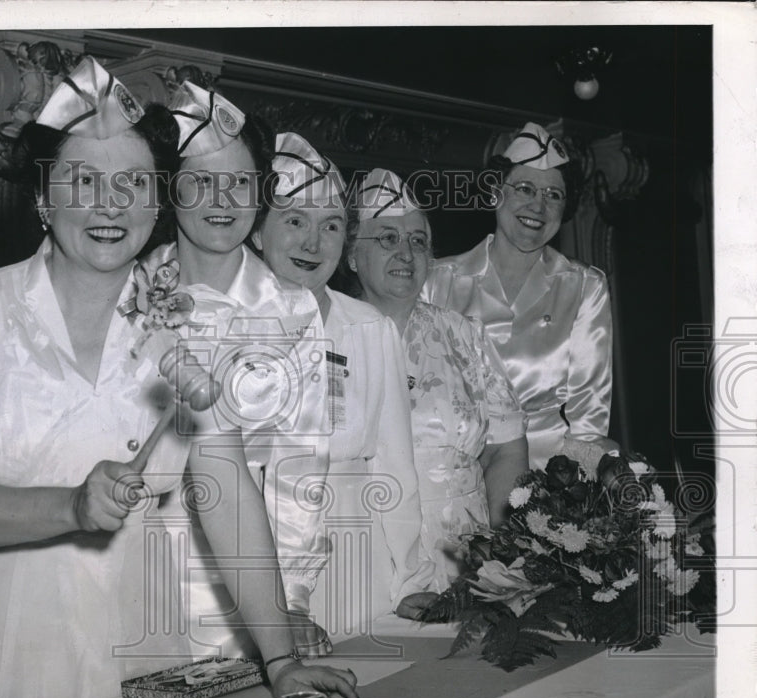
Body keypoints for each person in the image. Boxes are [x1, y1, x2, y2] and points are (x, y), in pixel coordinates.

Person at [0, 59, 357, 698]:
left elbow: (228, 490)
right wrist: (74, 505)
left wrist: (281, 661)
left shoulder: (184, 333)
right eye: (84, 181)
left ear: (157, 203)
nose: (110, 204)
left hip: (128, 640)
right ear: (43, 200)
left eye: (132, 183)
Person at [143, 83, 334, 658]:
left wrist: (291, 602)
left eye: (240, 182)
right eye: (200, 181)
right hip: (138, 562)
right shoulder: (129, 293)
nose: (222, 199)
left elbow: (302, 465)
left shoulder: (295, 308)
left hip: (249, 575)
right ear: (168, 189)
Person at [250, 133, 436, 634]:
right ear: (256, 232)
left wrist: (411, 579)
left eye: (330, 226)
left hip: (357, 564)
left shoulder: (371, 329)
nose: (313, 243)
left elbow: (395, 468)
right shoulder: (224, 328)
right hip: (254, 569)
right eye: (294, 222)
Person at [338, 169, 528, 594]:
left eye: (417, 241)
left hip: (465, 563)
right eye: (387, 238)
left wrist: (499, 552)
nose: (405, 253)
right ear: (351, 255)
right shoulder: (329, 339)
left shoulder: (465, 336)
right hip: (365, 565)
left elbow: (506, 450)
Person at [424, 122, 613, 469]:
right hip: (455, 473)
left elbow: (588, 420)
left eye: (553, 195)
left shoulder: (584, 287)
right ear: (496, 193)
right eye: (525, 189)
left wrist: (567, 505)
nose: (538, 207)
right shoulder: (437, 280)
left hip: (550, 479)